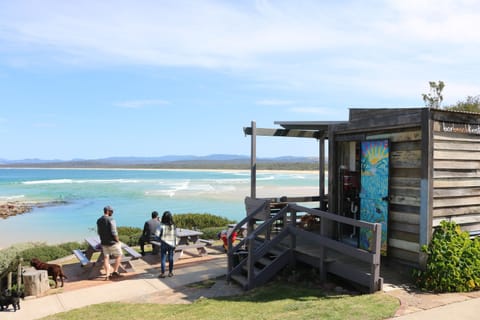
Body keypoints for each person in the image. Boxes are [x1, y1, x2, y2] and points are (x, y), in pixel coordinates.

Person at [96, 205, 123, 280]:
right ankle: (115, 271)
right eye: (111, 211)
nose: (112, 213)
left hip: (103, 242)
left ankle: (107, 274)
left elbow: (99, 232)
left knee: (106, 258)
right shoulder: (111, 219)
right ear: (107, 211)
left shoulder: (99, 220)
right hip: (112, 242)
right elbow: (114, 232)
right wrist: (118, 241)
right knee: (119, 255)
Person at [158, 210, 176, 278]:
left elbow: (157, 235)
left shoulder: (161, 225)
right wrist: (175, 245)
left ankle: (163, 273)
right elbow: (175, 236)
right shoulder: (173, 225)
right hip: (171, 244)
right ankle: (170, 272)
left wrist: (160, 239)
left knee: (163, 258)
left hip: (164, 244)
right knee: (171, 258)